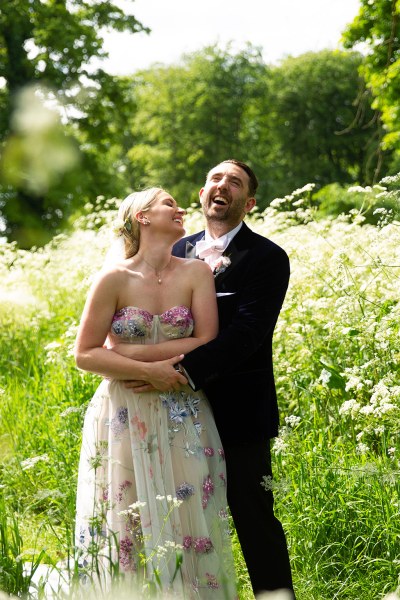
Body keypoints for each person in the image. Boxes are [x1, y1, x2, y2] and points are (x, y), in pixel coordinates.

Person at [73, 187, 237, 598]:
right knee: (123, 520)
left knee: (187, 517)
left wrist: (128, 351)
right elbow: (85, 354)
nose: (180, 209)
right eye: (168, 204)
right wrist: (150, 371)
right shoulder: (113, 278)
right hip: (124, 410)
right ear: (142, 217)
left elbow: (207, 341)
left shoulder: (197, 272)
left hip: (184, 410)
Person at [171, 159, 295, 598]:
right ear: (202, 194)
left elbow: (248, 333)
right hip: (173, 413)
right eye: (214, 179)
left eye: (234, 182)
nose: (222, 186)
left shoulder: (267, 258)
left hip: (239, 412)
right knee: (178, 516)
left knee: (253, 516)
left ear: (249, 202)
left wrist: (182, 373)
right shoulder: (174, 251)